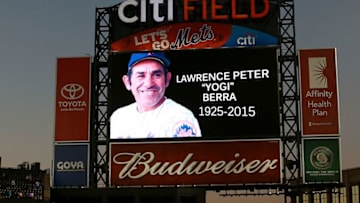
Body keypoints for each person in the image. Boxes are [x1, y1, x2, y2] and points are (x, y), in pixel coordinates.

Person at [110, 51, 202, 139]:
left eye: (157, 75)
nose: (149, 84)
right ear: (127, 82)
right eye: (141, 76)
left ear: (167, 79)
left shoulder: (181, 117)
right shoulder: (118, 116)